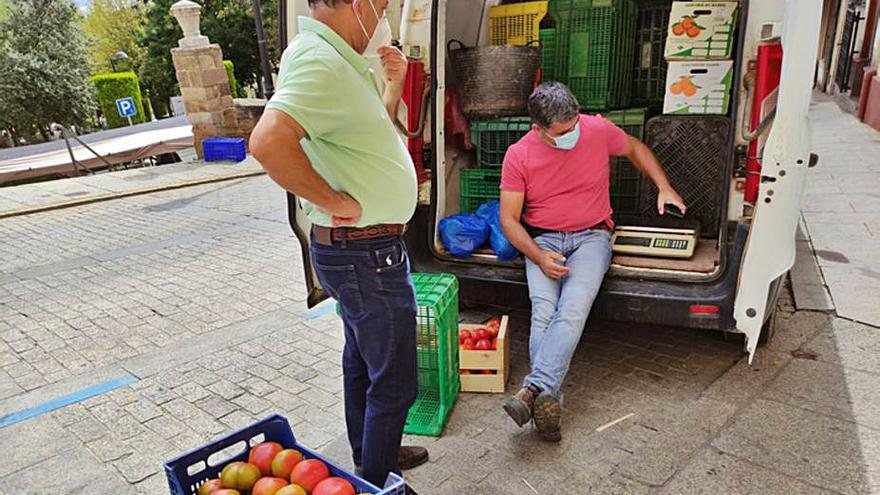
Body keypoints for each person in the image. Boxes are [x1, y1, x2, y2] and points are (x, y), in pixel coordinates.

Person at [249, 0, 427, 491]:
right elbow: (267, 142)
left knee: (363, 362)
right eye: (383, 4)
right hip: (364, 253)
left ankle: (370, 458)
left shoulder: (339, 58)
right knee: (394, 380)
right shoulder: (319, 60)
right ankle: (377, 480)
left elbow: (366, 141)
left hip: (361, 252)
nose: (385, 12)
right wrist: (328, 199)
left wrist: (391, 88)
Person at [499, 82, 687, 442]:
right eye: (563, 132)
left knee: (572, 309)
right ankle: (548, 402)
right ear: (537, 128)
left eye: (575, 125)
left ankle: (534, 390)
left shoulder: (596, 129)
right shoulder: (518, 155)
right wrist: (538, 255)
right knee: (543, 310)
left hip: (592, 236)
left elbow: (634, 147)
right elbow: (509, 219)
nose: (573, 133)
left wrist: (664, 184)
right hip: (543, 239)